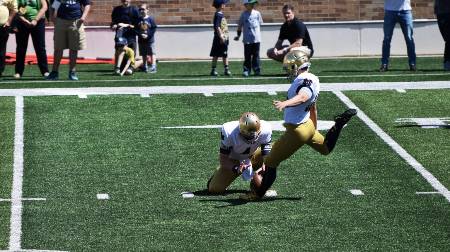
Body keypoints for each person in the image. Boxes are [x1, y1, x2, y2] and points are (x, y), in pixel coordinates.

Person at [240, 47, 357, 200]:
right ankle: (338, 125)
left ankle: (257, 194)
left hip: (297, 130)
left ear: (296, 65)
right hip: (307, 124)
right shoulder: (314, 78)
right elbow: (313, 106)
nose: (288, 71)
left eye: (289, 67)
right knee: (326, 148)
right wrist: (313, 127)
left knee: (270, 161)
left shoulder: (303, 80)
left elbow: (303, 96)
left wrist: (285, 103)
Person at [207, 112, 272, 194]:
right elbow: (223, 159)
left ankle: (257, 181)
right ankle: (218, 173)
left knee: (275, 149)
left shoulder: (265, 129)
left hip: (253, 154)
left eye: (255, 135)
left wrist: (266, 164)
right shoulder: (229, 132)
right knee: (215, 189)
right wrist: (236, 168)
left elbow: (266, 151)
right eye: (249, 136)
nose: (252, 139)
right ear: (241, 130)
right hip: (234, 160)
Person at [46, 0, 91, 81]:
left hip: (76, 22)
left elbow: (87, 5)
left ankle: (72, 72)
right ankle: (54, 73)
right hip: (61, 21)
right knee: (58, 48)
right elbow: (54, 5)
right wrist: (52, 17)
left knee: (74, 48)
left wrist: (83, 17)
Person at [14, 0, 49, 79]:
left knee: (40, 47)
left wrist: (35, 20)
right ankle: (18, 72)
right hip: (22, 23)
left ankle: (45, 71)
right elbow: (16, 9)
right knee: (21, 48)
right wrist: (24, 20)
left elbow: (44, 7)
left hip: (38, 22)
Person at [380, 0, 416, 72]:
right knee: (387, 39)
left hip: (405, 11)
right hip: (390, 10)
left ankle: (412, 64)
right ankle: (384, 64)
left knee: (409, 39)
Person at [234, 0, 263, 77]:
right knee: (247, 56)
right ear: (246, 5)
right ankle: (246, 70)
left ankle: (257, 69)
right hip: (247, 40)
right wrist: (238, 35)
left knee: (256, 55)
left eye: (253, 4)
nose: (253, 5)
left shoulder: (257, 13)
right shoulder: (243, 15)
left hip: (256, 39)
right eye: (251, 4)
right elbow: (240, 26)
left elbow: (259, 24)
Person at [209, 0, 231, 77]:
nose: (225, 5)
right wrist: (221, 36)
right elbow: (217, 26)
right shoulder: (218, 15)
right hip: (219, 38)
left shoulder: (220, 14)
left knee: (225, 54)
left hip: (224, 38)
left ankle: (226, 69)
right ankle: (213, 70)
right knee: (216, 54)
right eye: (224, 3)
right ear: (221, 5)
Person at [136, 3, 157, 73]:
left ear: (147, 10)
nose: (141, 11)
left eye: (143, 9)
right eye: (140, 9)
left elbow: (154, 28)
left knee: (152, 53)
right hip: (141, 40)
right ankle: (145, 66)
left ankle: (153, 66)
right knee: (143, 54)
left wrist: (148, 35)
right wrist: (140, 34)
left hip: (150, 40)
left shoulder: (150, 19)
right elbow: (136, 29)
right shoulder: (138, 19)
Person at [0, 0, 17, 77]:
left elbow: (14, 9)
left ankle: (0, 70)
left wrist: (9, 21)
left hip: (3, 26)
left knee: (1, 49)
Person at [435, 0, 450, 71]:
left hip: (444, 12)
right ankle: (447, 62)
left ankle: (447, 62)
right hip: (442, 13)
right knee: (448, 38)